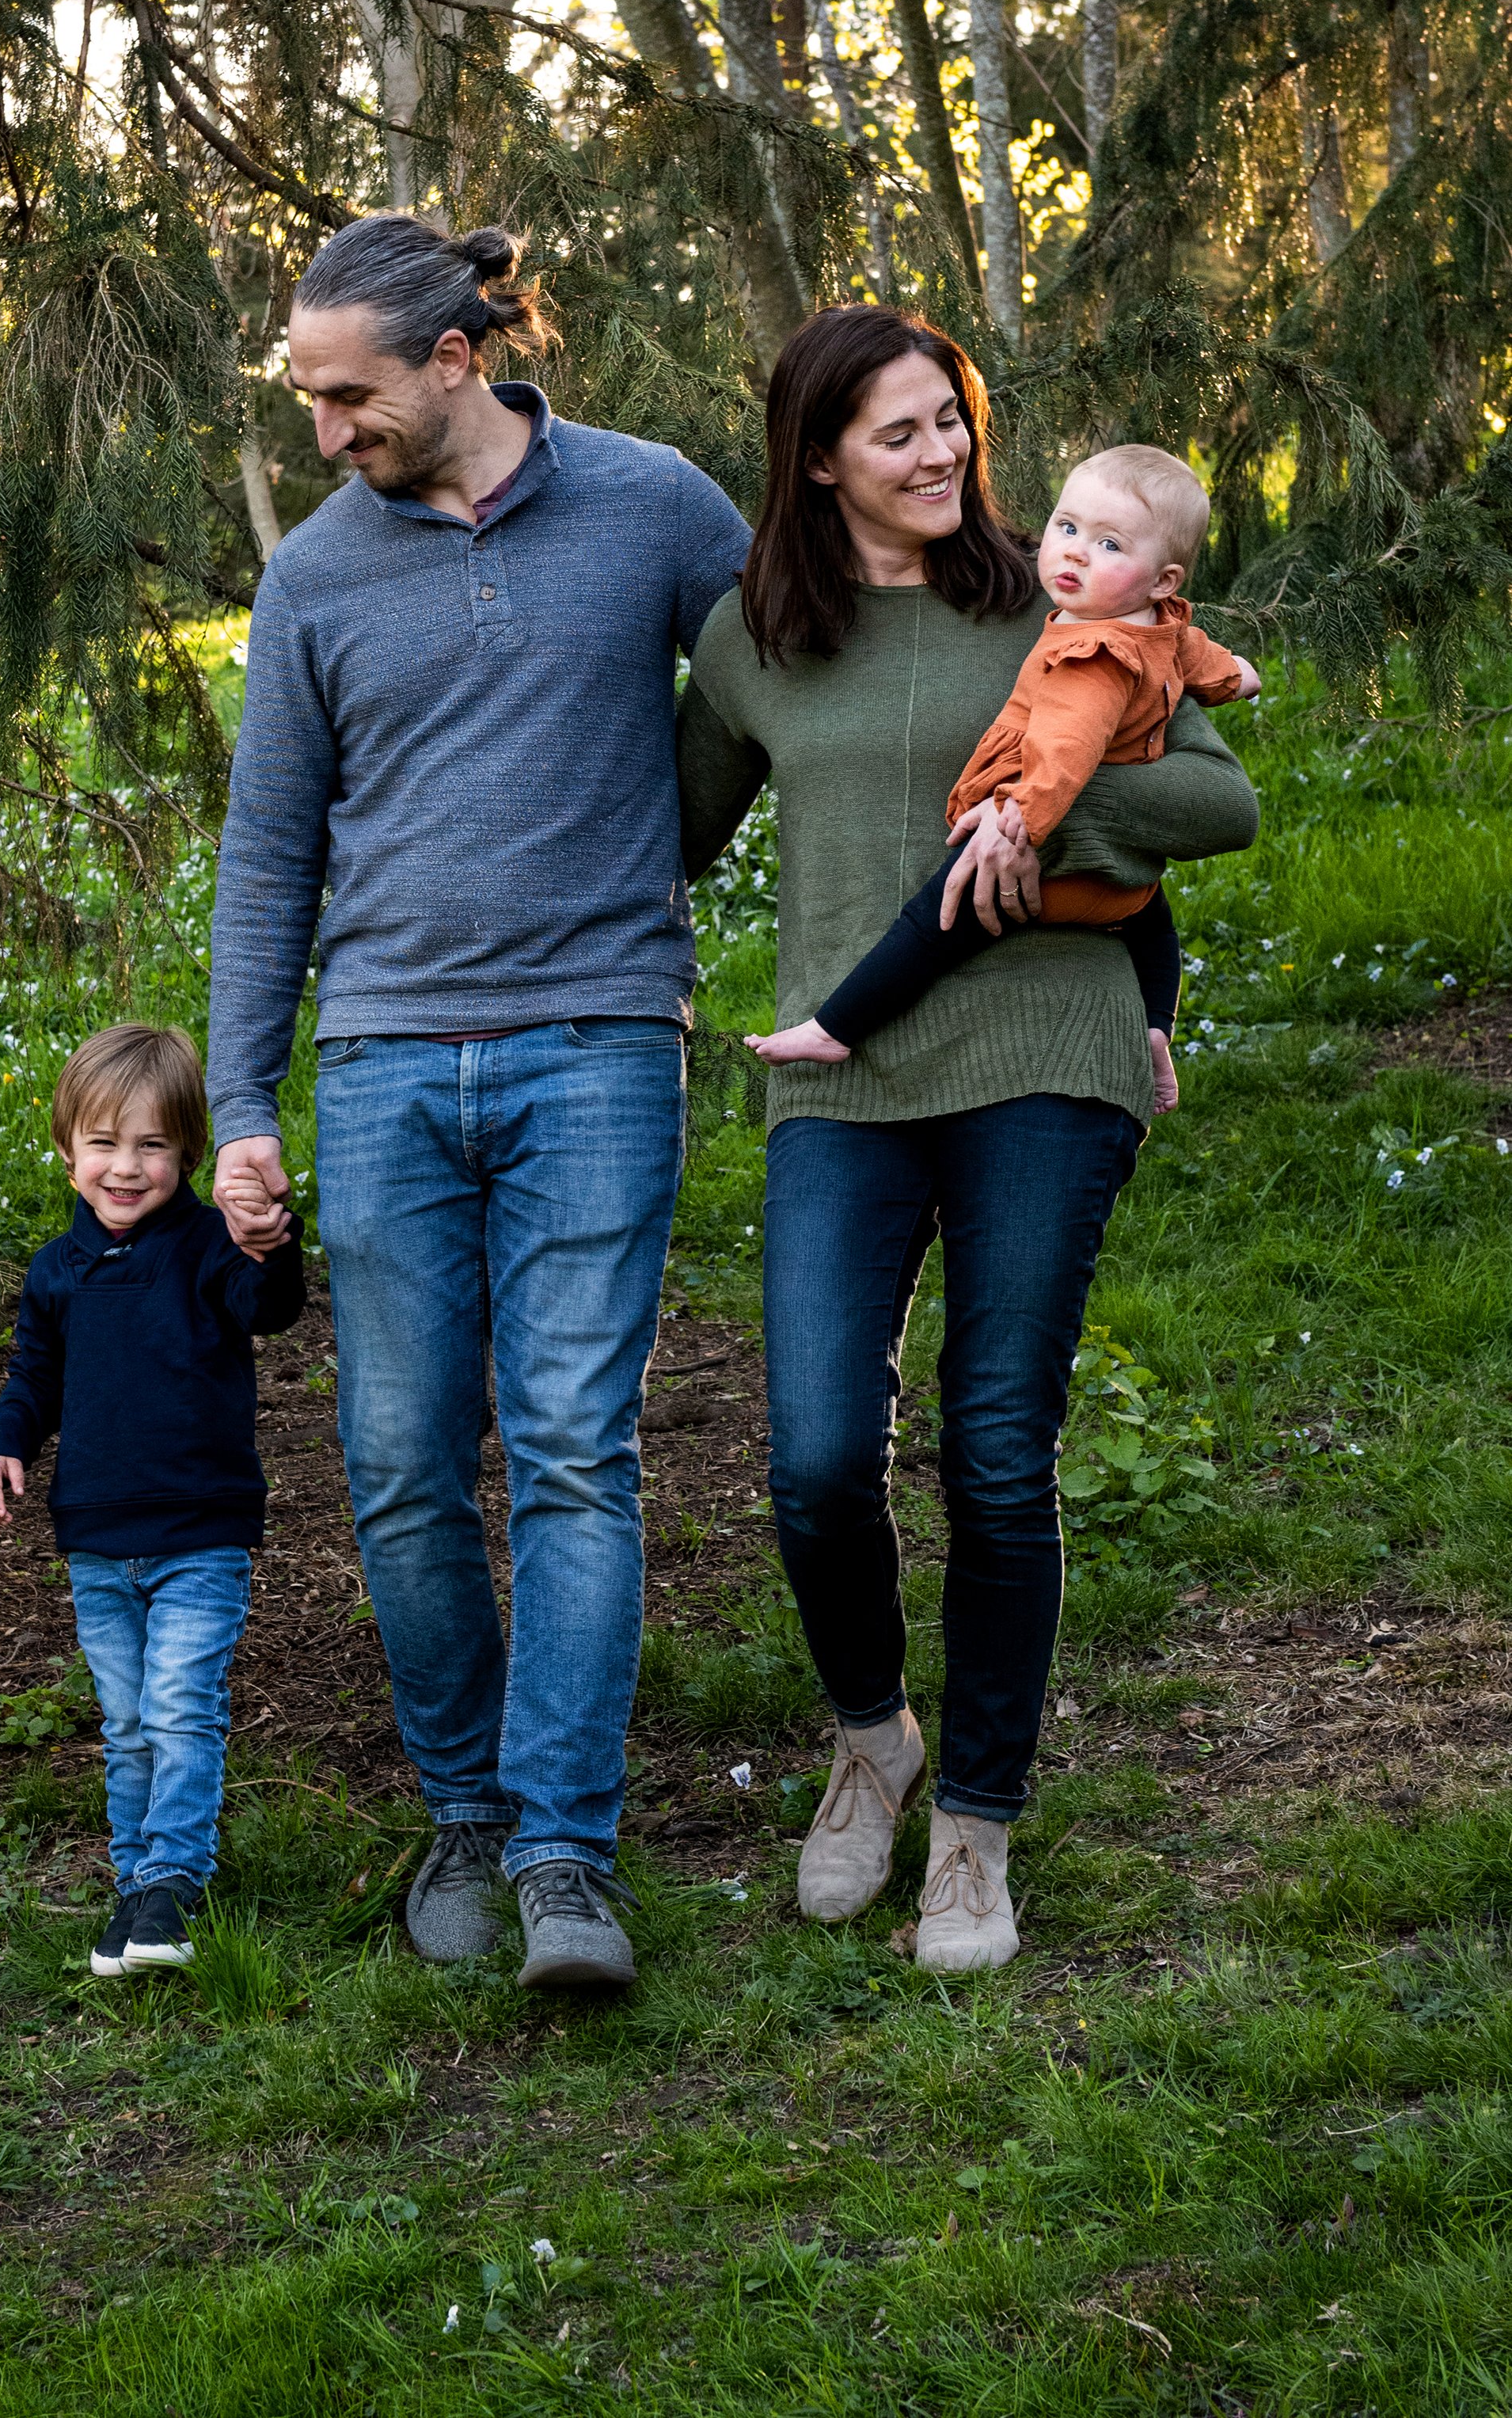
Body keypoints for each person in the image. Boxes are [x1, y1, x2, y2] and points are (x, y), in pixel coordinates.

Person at [203, 212, 751, 1993]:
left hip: (595, 1045)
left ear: (455, 359)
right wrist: (239, 1101)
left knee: (577, 1452)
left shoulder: (656, 503)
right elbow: (270, 847)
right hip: (373, 1067)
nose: (323, 429)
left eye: (345, 392)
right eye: (303, 397)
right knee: (396, 1464)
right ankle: (459, 1808)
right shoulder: (315, 574)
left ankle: (564, 1855)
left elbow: (767, 694)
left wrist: (648, 857)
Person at [677, 308, 1259, 1972]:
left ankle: (973, 1832)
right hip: (836, 1084)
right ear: (813, 459)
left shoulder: (1064, 595)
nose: (938, 456)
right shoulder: (752, 638)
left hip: (1041, 1051)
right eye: (895, 434)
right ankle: (873, 1740)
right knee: (807, 1463)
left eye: (949, 422)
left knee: (994, 1450)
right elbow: (659, 824)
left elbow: (1215, 803)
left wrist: (1045, 806)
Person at [746, 443, 1260, 1112]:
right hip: (1119, 886)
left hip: (1039, 862)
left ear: (1164, 580)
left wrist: (1016, 820)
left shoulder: (1090, 658)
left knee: (939, 916)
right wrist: (1239, 677)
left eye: (1109, 545)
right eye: (1068, 528)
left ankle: (836, 1026)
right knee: (1151, 920)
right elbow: (1201, 657)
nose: (1074, 553)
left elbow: (1064, 750)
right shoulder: (1156, 627)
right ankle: (1155, 1027)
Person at [0, 1021, 304, 1979]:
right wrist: (1, 1446)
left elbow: (268, 1306)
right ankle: (135, 1890)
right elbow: (32, 1379)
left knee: (179, 1707)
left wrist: (269, 1238)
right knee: (125, 1721)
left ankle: (171, 1884)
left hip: (200, 1529)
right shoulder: (55, 1272)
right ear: (68, 1150)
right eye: (104, 1144)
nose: (126, 1167)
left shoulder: (207, 1246)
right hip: (97, 1538)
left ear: (189, 1152)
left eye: (152, 1145)